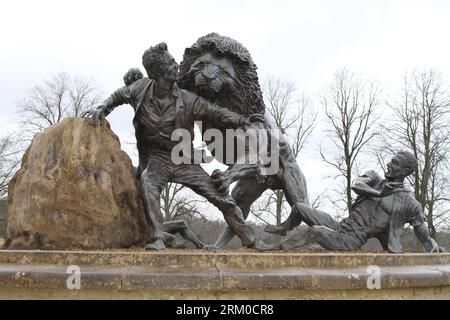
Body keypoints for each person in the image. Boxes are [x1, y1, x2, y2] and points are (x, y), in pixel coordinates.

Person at [84, 43, 268, 250]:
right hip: (156, 159)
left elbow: (216, 112)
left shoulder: (187, 99)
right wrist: (102, 108)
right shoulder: (140, 89)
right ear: (159, 72)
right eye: (171, 63)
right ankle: (157, 238)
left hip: (182, 159)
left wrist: (243, 120)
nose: (176, 66)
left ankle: (252, 239)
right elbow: (118, 96)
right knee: (148, 185)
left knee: (221, 198)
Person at [264, 151, 446, 253]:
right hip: (340, 226)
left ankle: (274, 248)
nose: (389, 164)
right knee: (299, 208)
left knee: (315, 232)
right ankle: (283, 228)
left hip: (350, 240)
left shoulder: (410, 204)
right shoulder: (375, 178)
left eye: (395, 163)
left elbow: (422, 231)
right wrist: (379, 192)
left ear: (405, 171)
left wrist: (433, 247)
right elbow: (356, 184)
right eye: (391, 159)